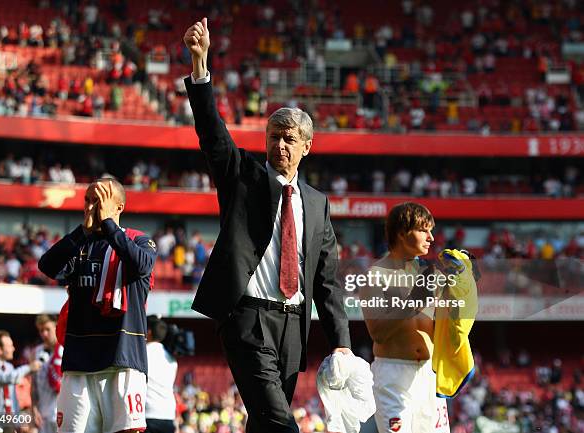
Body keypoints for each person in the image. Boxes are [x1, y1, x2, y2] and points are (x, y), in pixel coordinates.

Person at [183, 18, 351, 433]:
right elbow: (212, 133)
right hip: (248, 319)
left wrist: (343, 345)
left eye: (290, 138)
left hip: (294, 327)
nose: (280, 144)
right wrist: (200, 65)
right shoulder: (242, 175)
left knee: (263, 422)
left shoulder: (317, 203)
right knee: (280, 422)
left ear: (307, 147)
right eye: (274, 135)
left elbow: (326, 281)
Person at [38, 178, 157, 433]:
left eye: (100, 199)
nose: (93, 206)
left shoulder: (138, 240)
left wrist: (110, 227)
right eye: (89, 200)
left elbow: (142, 265)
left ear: (119, 206)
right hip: (79, 362)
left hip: (123, 360)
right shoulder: (79, 244)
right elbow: (47, 266)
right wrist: (82, 232)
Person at [360, 203, 449, 433]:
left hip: (430, 375)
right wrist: (414, 301)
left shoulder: (433, 274)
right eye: (423, 230)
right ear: (401, 232)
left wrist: (460, 291)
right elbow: (377, 333)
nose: (431, 237)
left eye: (431, 230)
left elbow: (445, 329)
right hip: (393, 377)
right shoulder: (375, 275)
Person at [0, 331, 41, 419]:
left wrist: (16, 421)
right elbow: (4, 379)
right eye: (10, 346)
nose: (13, 349)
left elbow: (12, 396)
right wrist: (28, 368)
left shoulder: (9, 367)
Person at [145, 316, 177, 433]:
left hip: (148, 414)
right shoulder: (172, 359)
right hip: (168, 415)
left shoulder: (142, 354)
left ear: (148, 332)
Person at [31, 314, 62, 433]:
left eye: (47, 329)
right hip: (44, 414)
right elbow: (33, 384)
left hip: (63, 411)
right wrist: (33, 409)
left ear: (56, 327)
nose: (44, 334)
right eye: (41, 330)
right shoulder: (35, 352)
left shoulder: (66, 349)